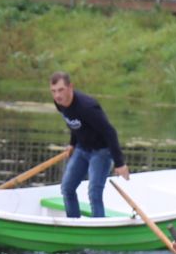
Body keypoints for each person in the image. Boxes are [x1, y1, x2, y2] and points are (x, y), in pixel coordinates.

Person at [48, 71, 128, 218]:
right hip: (82, 148)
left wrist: (120, 163)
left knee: (94, 193)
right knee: (67, 188)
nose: (57, 95)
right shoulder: (59, 103)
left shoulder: (87, 107)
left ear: (70, 87)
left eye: (61, 90)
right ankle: (74, 225)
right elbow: (74, 123)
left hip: (102, 151)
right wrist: (72, 144)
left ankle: (98, 228)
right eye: (53, 91)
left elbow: (110, 132)